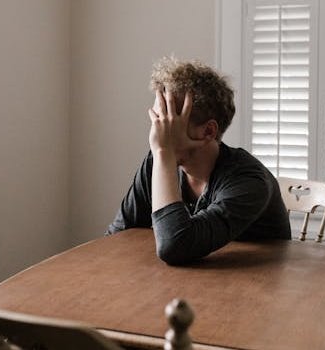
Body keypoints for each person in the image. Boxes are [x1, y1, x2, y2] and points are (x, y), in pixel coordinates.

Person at [106, 57, 291, 265]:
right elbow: (117, 237)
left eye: (168, 121)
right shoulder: (158, 161)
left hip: (257, 287)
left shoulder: (249, 180)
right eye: (157, 119)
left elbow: (175, 246)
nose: (157, 132)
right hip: (188, 283)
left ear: (208, 131)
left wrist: (164, 152)